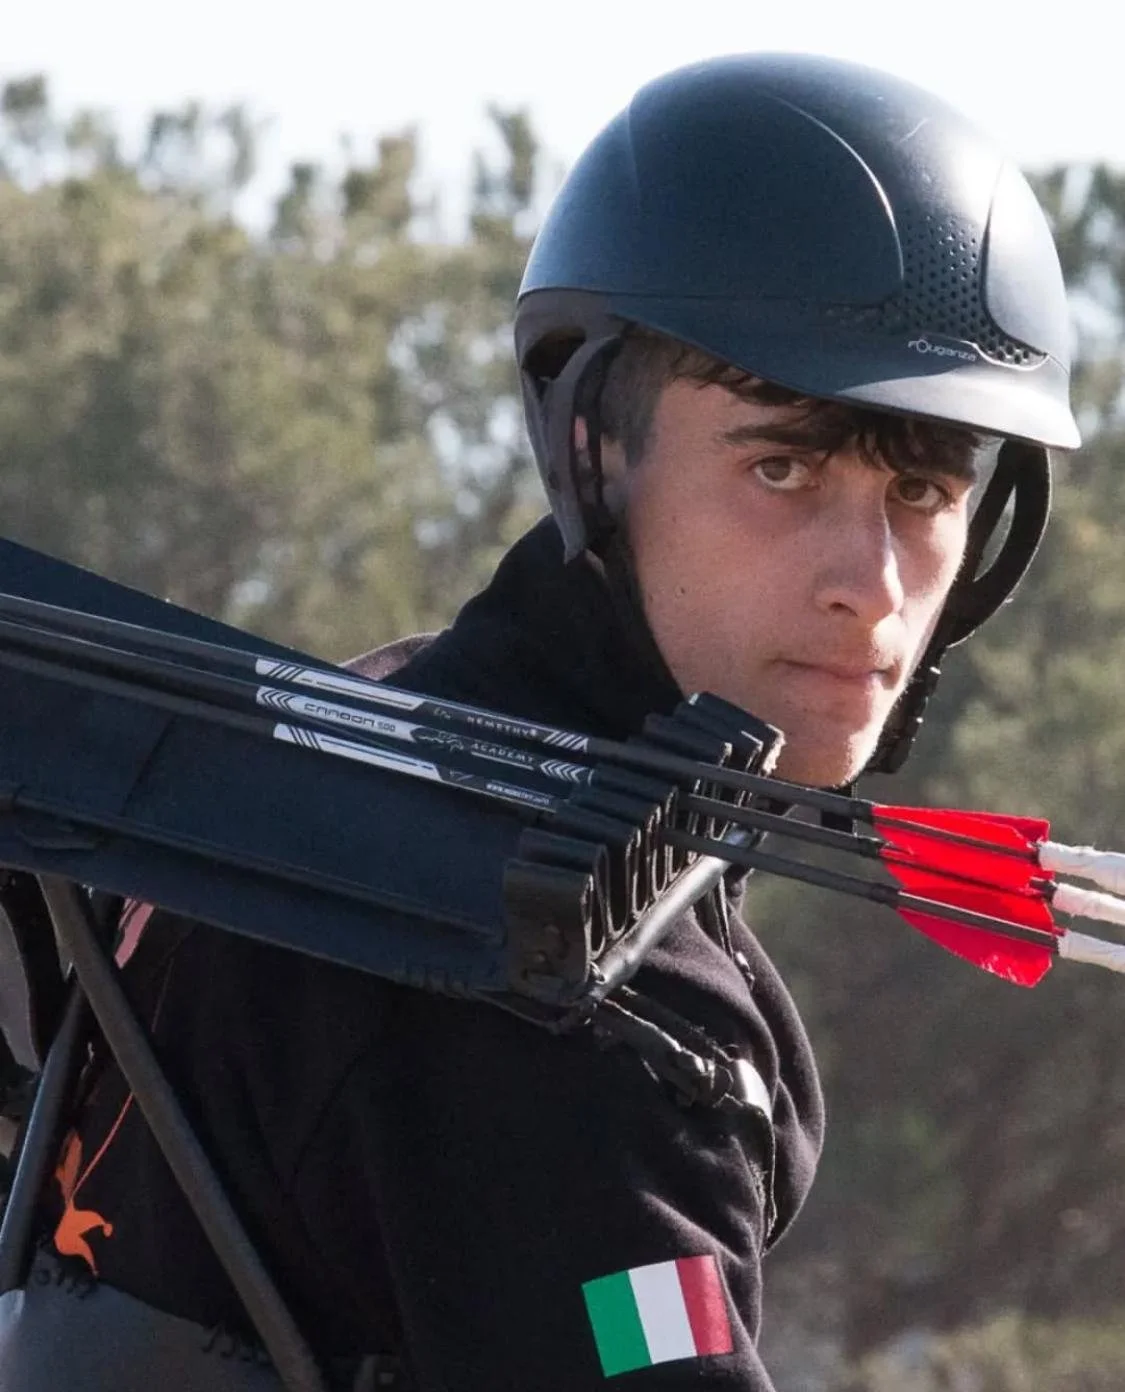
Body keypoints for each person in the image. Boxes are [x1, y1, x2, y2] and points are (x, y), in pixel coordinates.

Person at [4, 51, 1076, 1392]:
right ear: (594, 451)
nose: (869, 586)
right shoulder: (562, 987)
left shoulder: (351, 756)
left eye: (923, 492)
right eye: (782, 466)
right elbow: (634, 1344)